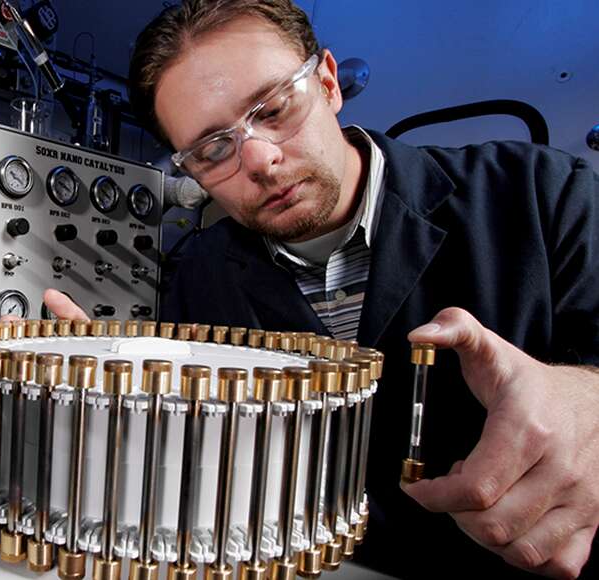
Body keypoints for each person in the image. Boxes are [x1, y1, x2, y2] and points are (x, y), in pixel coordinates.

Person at [41, 1, 599, 577]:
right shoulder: (200, 273)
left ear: (328, 82)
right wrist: (128, 409)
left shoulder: (544, 195)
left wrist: (588, 397)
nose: (259, 159)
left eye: (275, 108)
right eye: (212, 151)